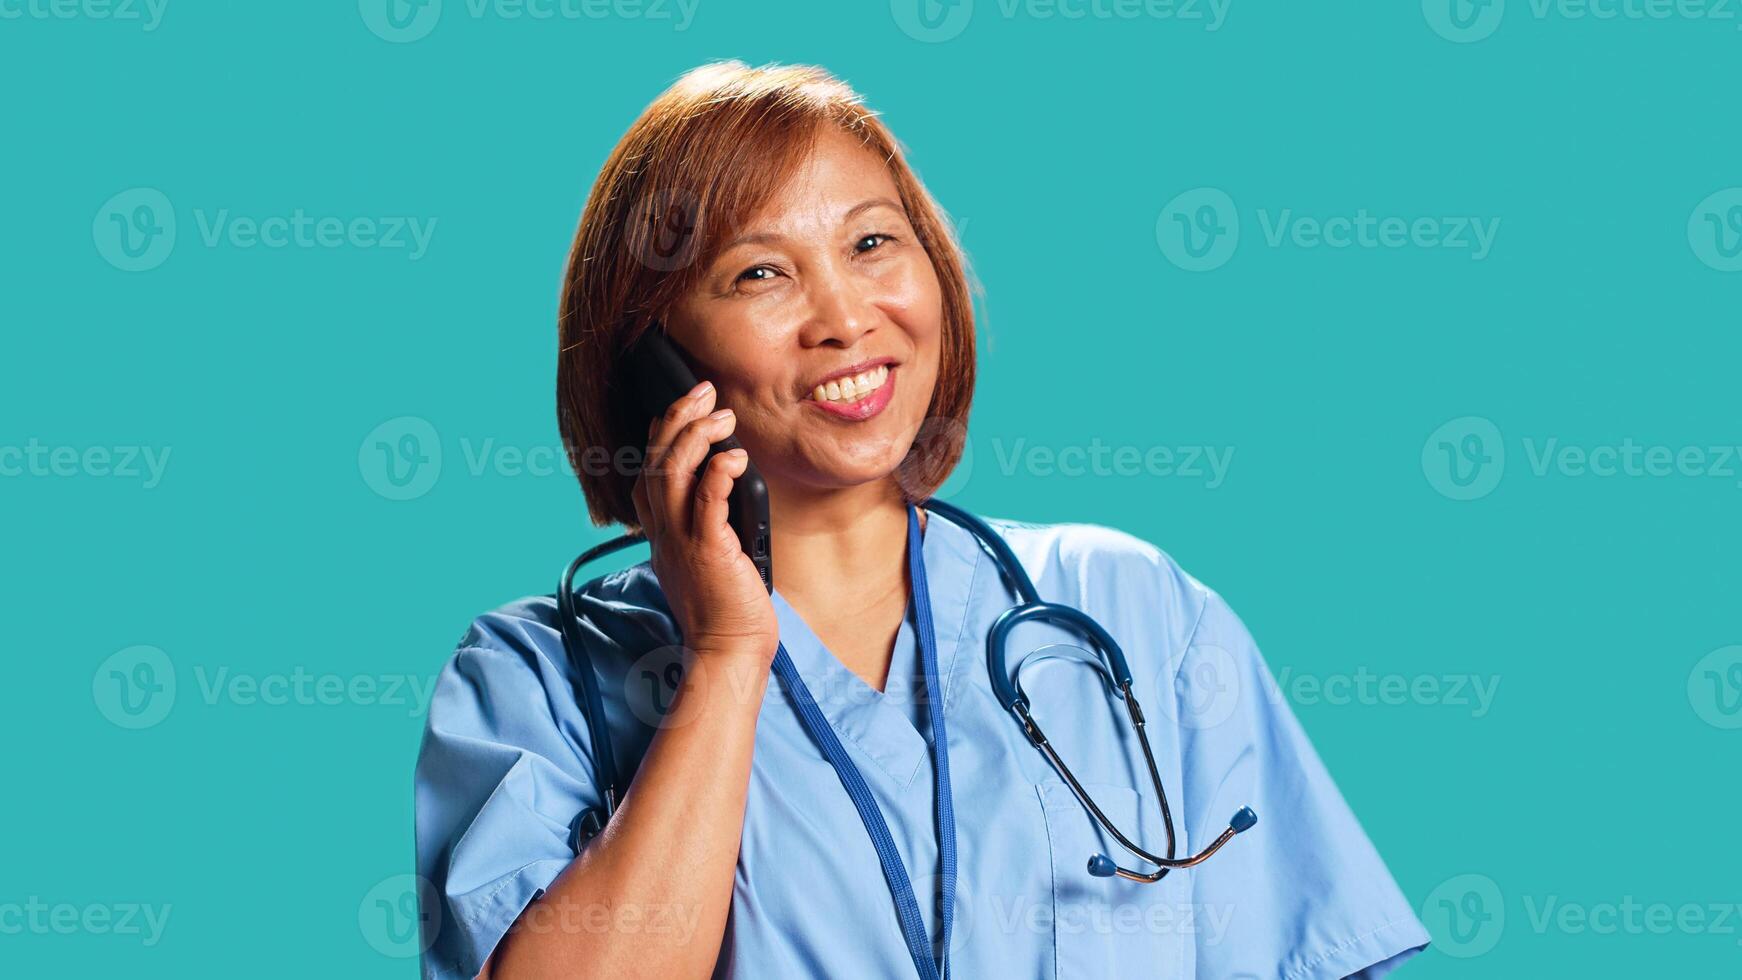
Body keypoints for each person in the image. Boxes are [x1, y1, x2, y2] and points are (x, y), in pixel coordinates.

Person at [414, 60, 1430, 979]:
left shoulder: (1131, 606)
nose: (846, 316)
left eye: (870, 243)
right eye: (760, 272)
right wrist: (728, 653)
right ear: (655, 359)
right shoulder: (536, 680)